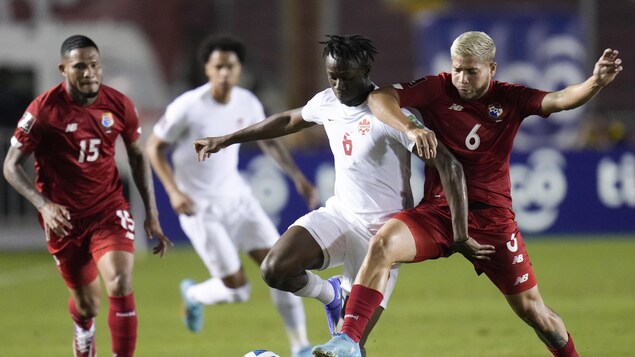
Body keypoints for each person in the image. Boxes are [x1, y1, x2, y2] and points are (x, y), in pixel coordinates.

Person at [313, 31, 623, 357]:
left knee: (535, 312)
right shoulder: (437, 88)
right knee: (383, 243)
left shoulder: (510, 98)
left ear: (492, 67)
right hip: (438, 212)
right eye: (457, 68)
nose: (461, 78)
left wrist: (595, 82)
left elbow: (560, 99)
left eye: (471, 71)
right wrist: (411, 127)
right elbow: (379, 98)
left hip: (491, 222)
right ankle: (347, 341)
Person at [193, 34, 477, 356]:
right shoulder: (328, 101)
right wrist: (227, 139)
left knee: (349, 346)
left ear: (367, 70)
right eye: (333, 76)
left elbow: (449, 167)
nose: (339, 85)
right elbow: (287, 120)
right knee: (274, 268)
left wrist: (459, 234)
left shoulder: (389, 116)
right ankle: (331, 296)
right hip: (340, 216)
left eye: (347, 77)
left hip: (380, 240)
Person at [145, 34, 318, 357]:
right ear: (207, 69)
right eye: (219, 67)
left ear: (240, 69)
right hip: (200, 208)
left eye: (231, 66)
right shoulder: (188, 106)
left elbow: (269, 141)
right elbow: (154, 147)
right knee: (237, 291)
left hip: (239, 200)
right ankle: (195, 295)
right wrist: (173, 192)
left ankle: (301, 347)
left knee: (283, 268)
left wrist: (297, 177)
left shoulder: (248, 102)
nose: (225, 73)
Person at [2, 34, 172, 357]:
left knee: (120, 282)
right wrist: (44, 205)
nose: (90, 72)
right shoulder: (44, 110)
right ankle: (83, 327)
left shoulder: (119, 105)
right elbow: (10, 166)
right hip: (63, 219)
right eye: (80, 66)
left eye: (95, 65)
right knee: (88, 304)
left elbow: (137, 157)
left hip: (107, 209)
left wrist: (152, 211)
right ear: (63, 69)